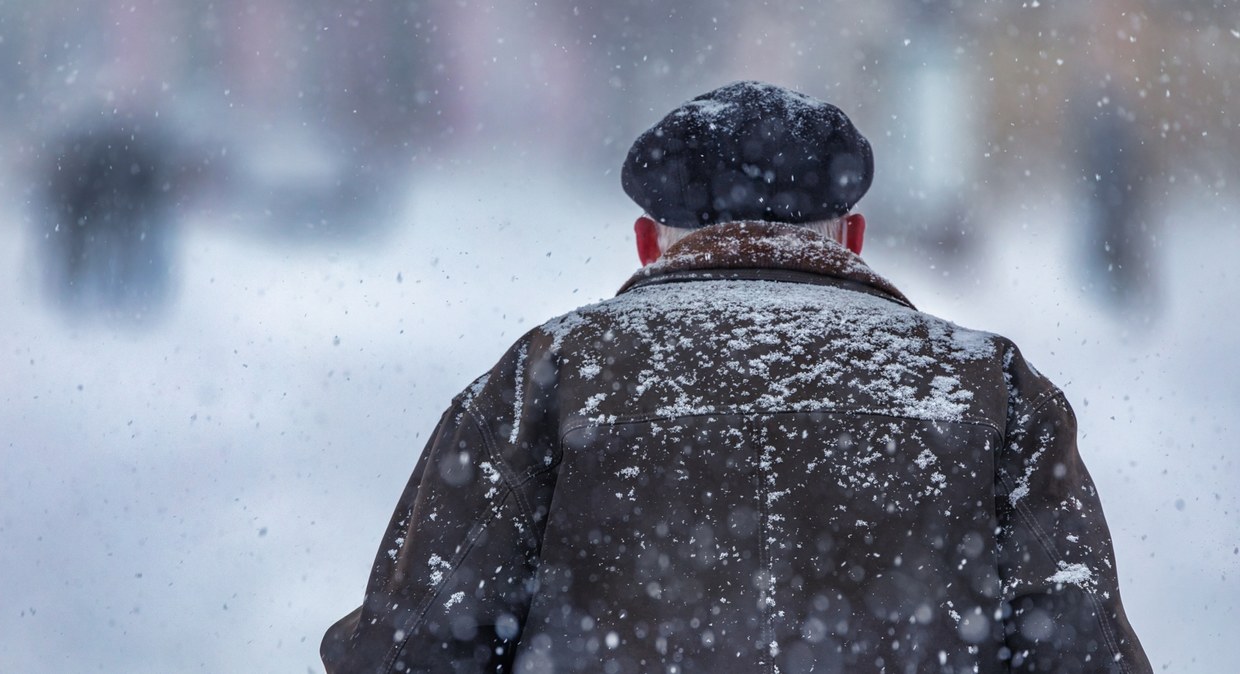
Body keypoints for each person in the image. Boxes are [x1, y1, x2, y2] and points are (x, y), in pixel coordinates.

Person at [322, 81, 1151, 674]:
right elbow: (1082, 651)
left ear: (647, 243)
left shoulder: (552, 372)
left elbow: (410, 649)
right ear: (852, 235)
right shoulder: (985, 386)